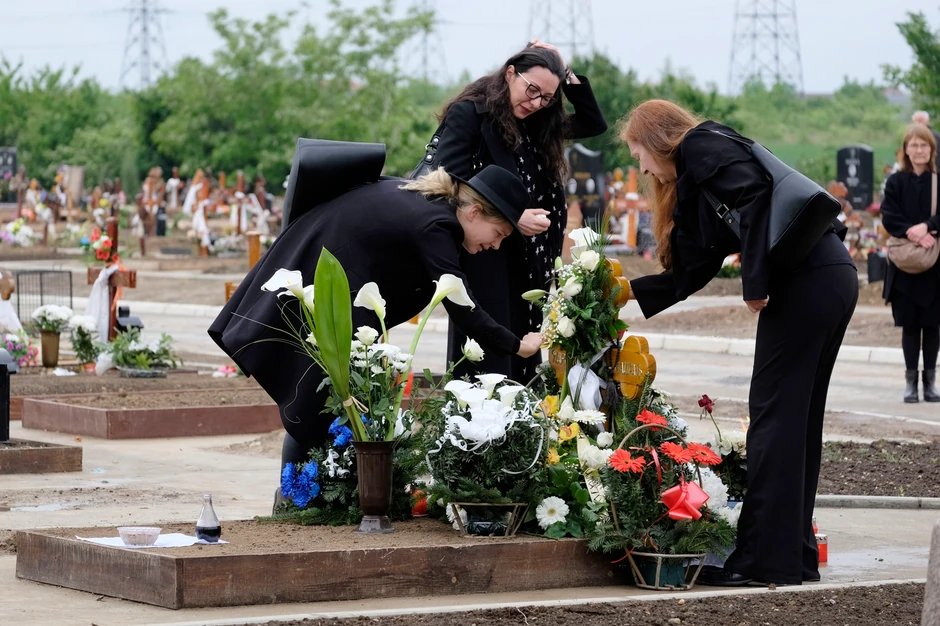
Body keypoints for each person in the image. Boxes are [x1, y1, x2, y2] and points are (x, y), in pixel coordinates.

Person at [620, 100, 858, 586]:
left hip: (807, 280)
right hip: (825, 275)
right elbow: (694, 266)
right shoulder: (697, 179)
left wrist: (755, 283)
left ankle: (765, 560)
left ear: (657, 138)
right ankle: (792, 554)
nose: (640, 167)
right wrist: (624, 292)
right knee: (795, 422)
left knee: (773, 420)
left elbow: (754, 201)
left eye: (638, 153)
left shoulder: (701, 144)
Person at [208, 165, 543, 487]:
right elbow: (464, 309)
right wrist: (518, 345)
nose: (495, 245)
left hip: (322, 274)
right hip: (324, 289)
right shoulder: (439, 226)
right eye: (497, 234)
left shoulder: (428, 202)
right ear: (474, 213)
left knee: (322, 401)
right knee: (317, 401)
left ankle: (308, 493)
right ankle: (300, 495)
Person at [420, 41, 607, 382]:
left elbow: (593, 124)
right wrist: (512, 214)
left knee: (526, 358)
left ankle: (518, 432)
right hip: (487, 253)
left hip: (533, 259)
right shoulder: (472, 113)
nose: (535, 103)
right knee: (489, 359)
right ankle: (480, 433)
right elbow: (448, 176)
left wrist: (564, 74)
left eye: (547, 97)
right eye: (531, 89)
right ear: (510, 73)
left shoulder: (539, 120)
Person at [881, 124, 940, 403]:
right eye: (914, 145)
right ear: (906, 149)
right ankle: (910, 384)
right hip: (905, 264)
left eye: (924, 145)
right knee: (909, 325)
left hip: (934, 263)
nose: (919, 150)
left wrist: (928, 226)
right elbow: (888, 217)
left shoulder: (938, 180)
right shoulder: (895, 182)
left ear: (931, 150)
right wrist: (913, 231)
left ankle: (930, 384)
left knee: (932, 325)